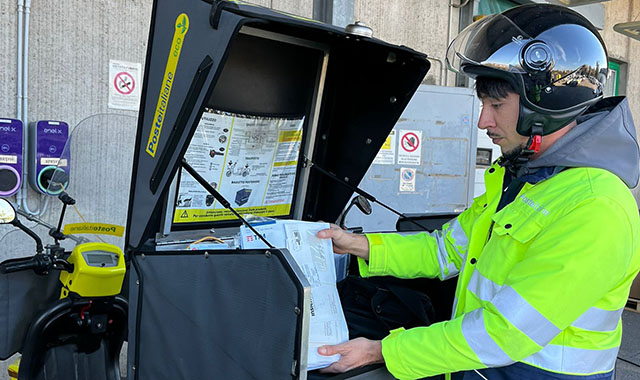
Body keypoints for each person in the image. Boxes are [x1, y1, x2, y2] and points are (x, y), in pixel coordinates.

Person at [317, 4, 640, 380]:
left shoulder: (595, 206)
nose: (484, 121)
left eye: (496, 105)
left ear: (546, 103)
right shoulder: (522, 181)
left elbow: (505, 332)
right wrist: (356, 245)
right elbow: (444, 250)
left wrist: (381, 351)